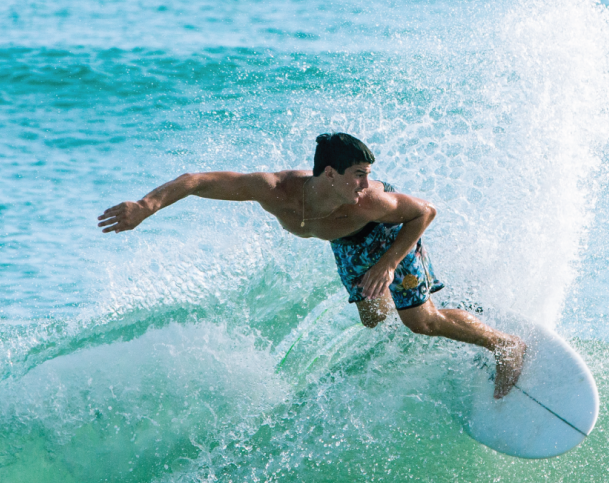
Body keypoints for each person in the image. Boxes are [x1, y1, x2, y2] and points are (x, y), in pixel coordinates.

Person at [97, 133, 527, 397]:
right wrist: (145, 206)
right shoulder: (274, 190)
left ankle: (505, 344)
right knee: (374, 319)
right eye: (357, 173)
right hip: (345, 244)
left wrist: (390, 263)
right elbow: (196, 181)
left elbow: (425, 213)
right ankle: (457, 314)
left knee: (420, 322)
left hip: (387, 236)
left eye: (368, 173)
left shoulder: (373, 200)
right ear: (329, 175)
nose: (365, 182)